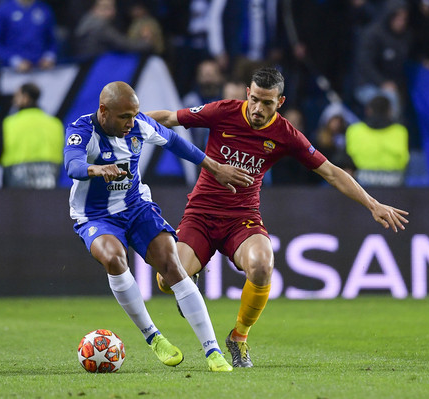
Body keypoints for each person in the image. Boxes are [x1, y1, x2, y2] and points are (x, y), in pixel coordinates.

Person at [147, 67, 409, 368]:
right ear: (248, 92)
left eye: (267, 103)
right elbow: (169, 118)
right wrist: (128, 121)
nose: (258, 108)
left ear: (280, 102)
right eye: (255, 99)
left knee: (262, 265)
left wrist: (372, 203)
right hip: (201, 214)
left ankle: (239, 338)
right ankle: (187, 275)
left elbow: (331, 173)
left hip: (242, 219)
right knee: (166, 280)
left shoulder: (285, 134)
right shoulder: (222, 111)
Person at [64, 81, 254, 372]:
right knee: (115, 258)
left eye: (135, 114)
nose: (132, 122)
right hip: (95, 215)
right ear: (103, 111)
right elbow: (72, 165)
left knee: (173, 267)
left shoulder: (140, 125)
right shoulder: (82, 130)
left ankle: (213, 351)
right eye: (124, 116)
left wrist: (215, 168)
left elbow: (176, 143)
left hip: (137, 207)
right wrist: (96, 169)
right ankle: (153, 337)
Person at [0, 82, 64, 188]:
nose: (14, 100)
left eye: (17, 96)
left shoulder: (9, 123)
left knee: (19, 204)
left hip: (16, 174)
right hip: (50, 172)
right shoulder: (55, 123)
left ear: (25, 97)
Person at [345, 94, 410, 187]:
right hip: (395, 181)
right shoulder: (400, 131)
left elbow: (347, 159)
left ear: (368, 111)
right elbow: (405, 160)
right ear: (389, 111)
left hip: (363, 181)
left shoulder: (354, 130)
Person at [0, 0, 58, 72]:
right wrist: (14, 61)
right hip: (12, 72)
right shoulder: (3, 10)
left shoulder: (45, 9)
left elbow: (53, 41)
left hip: (41, 70)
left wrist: (49, 57)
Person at [72, 0, 152, 59]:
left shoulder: (86, 20)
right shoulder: (100, 26)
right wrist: (146, 43)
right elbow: (124, 45)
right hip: (97, 66)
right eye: (108, 8)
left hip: (87, 65)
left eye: (113, 8)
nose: (113, 12)